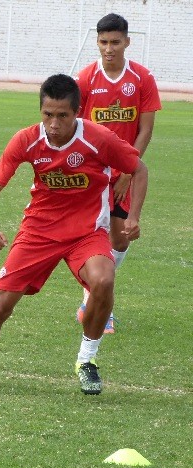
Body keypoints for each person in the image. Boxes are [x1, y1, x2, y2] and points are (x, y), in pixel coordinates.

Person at [0, 74, 147, 395]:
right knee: (0, 307)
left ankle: (87, 361)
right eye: (47, 114)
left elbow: (139, 168)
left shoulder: (99, 139)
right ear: (41, 111)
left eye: (62, 116)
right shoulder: (26, 140)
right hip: (38, 232)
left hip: (87, 233)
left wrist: (132, 217)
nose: (54, 123)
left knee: (104, 280)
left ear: (77, 112)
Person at [74, 13, 161, 332]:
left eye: (115, 42)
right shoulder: (85, 79)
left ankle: (95, 297)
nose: (108, 48)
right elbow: (76, 128)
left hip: (126, 170)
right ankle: (94, 303)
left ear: (127, 41)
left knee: (121, 239)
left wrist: (128, 167)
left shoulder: (141, 78)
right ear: (97, 42)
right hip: (94, 173)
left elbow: (146, 128)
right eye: (103, 42)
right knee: (96, 239)